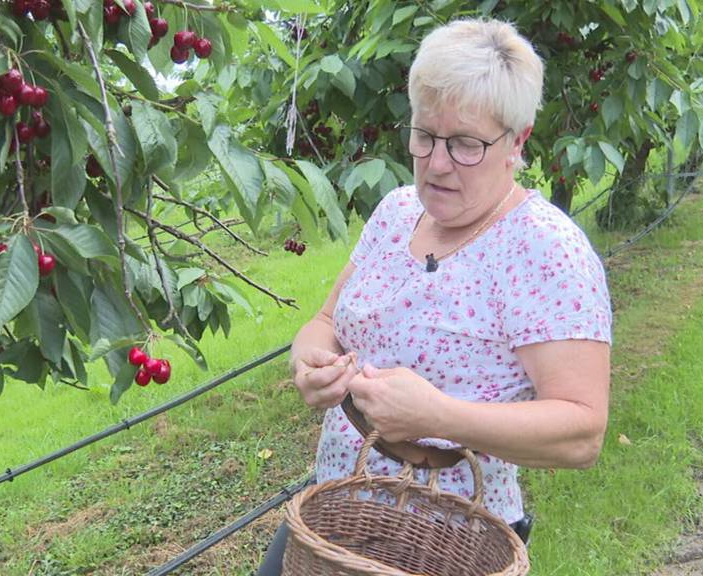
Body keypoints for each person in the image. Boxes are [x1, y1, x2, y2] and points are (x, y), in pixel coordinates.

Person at [257, 17, 612, 575]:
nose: (438, 163)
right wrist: (309, 361)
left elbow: (581, 431)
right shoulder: (396, 212)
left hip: (454, 534)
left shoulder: (547, 250)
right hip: (332, 508)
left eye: (466, 144)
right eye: (425, 135)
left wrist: (437, 415)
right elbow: (326, 320)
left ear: (516, 143)